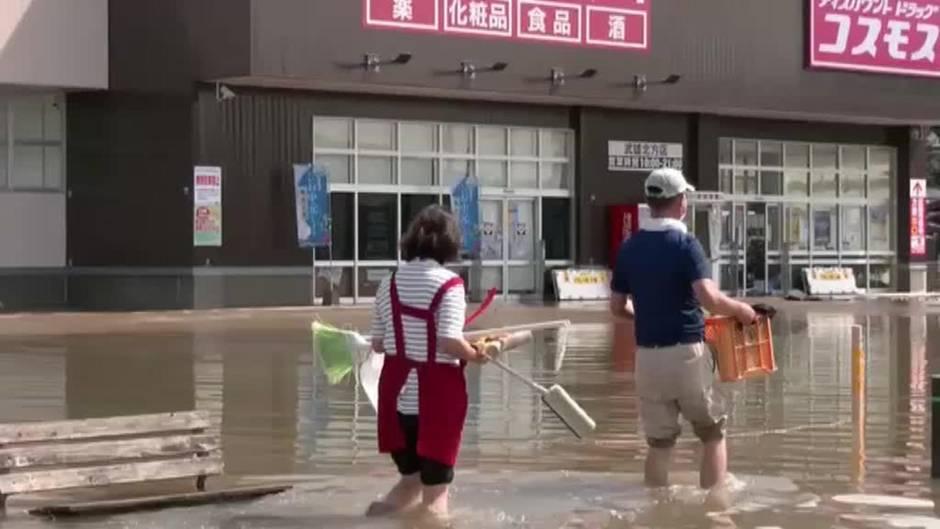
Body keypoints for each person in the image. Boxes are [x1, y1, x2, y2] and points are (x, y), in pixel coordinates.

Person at [609, 168, 762, 491]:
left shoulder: (630, 247)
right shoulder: (686, 244)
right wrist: (744, 312)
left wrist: (649, 316)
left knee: (659, 443)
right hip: (687, 354)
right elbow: (709, 297)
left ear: (651, 203)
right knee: (713, 432)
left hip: (647, 359)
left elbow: (617, 308)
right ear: (681, 202)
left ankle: (656, 511)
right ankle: (714, 511)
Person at [367, 205, 490, 519]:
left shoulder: (387, 284)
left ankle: (371, 520)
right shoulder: (449, 284)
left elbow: (379, 343)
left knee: (410, 481)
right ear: (450, 243)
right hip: (435, 403)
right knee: (436, 495)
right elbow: (449, 341)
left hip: (396, 404)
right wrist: (476, 354)